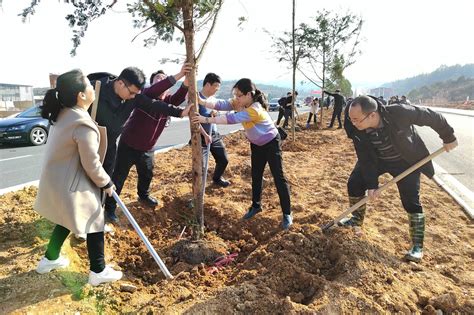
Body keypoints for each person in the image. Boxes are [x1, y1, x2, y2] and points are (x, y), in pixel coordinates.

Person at [342, 95, 458, 262]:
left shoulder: (399, 113)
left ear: (372, 115)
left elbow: (432, 116)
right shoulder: (355, 127)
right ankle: (356, 221)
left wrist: (448, 137)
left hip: (406, 161)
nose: (353, 123)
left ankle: (417, 246)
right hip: (377, 160)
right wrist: (371, 185)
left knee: (411, 200)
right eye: (351, 119)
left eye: (357, 120)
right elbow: (365, 156)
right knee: (355, 183)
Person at [34, 69, 122, 286]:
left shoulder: (65, 113)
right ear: (81, 95)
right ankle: (98, 271)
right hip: (69, 182)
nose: (93, 89)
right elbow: (91, 163)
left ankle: (50, 259)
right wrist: (107, 183)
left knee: (67, 218)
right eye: (90, 86)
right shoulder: (82, 123)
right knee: (94, 216)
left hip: (59, 179)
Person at [192, 78, 293, 229]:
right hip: (257, 144)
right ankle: (256, 206)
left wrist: (205, 119)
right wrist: (202, 101)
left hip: (271, 143)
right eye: (236, 95)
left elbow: (231, 118)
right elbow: (222, 104)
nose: (236, 99)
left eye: (239, 95)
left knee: (278, 176)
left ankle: (287, 213)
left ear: (249, 94)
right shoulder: (240, 102)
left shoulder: (255, 109)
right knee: (256, 175)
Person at [103, 64, 192, 223]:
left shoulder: (168, 102)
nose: (161, 80)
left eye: (164, 79)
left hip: (147, 149)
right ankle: (109, 208)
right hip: (128, 145)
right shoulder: (144, 96)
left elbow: (177, 99)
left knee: (147, 173)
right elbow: (154, 95)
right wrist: (178, 75)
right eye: (158, 79)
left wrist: (187, 79)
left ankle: (143, 195)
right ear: (153, 84)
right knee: (118, 178)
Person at [198, 73, 231, 187]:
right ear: (207, 84)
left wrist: (216, 113)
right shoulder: (196, 98)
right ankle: (198, 189)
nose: (217, 89)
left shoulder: (213, 99)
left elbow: (219, 112)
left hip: (214, 134)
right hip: (201, 136)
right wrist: (205, 135)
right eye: (216, 86)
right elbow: (194, 121)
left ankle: (217, 179)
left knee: (223, 160)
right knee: (201, 166)